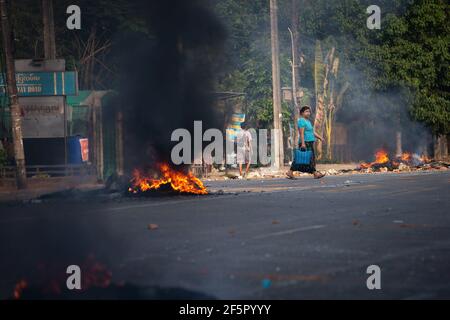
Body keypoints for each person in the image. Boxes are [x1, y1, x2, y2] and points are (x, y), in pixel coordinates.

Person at [286, 106, 325, 179]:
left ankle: (290, 172)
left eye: (309, 111)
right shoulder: (301, 121)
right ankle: (315, 173)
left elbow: (312, 132)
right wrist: (303, 143)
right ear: (302, 113)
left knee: (308, 158)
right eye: (306, 111)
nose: (308, 113)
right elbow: (301, 133)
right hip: (305, 142)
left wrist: (320, 138)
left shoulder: (308, 122)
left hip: (310, 142)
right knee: (307, 158)